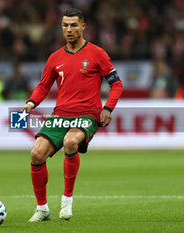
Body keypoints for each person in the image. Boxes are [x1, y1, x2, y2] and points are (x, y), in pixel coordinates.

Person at [20, 8, 123, 222]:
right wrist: (31, 102)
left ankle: (67, 201)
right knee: (36, 154)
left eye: (73, 25)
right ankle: (42, 209)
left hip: (87, 114)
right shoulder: (55, 58)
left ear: (83, 27)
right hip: (60, 115)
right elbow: (43, 86)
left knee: (70, 142)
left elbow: (117, 84)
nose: (69, 29)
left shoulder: (97, 54)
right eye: (65, 25)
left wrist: (108, 108)